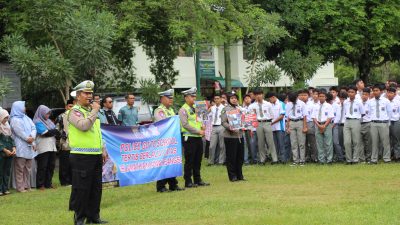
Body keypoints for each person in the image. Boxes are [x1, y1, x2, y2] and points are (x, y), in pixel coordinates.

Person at [67, 81, 107, 225]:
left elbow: (97, 133)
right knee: (82, 189)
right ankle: (79, 218)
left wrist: (102, 148)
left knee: (96, 188)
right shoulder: (74, 112)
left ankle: (93, 216)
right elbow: (83, 126)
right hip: (81, 156)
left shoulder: (91, 111)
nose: (90, 96)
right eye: (86, 93)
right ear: (78, 96)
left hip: (95, 155)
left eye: (91, 93)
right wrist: (95, 111)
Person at [153, 89, 184, 192]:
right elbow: (162, 124)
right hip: (163, 142)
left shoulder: (170, 110)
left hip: (172, 141)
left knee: (172, 162)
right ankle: (161, 185)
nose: (171, 100)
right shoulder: (159, 111)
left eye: (171, 98)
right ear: (162, 99)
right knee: (164, 163)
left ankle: (173, 184)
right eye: (168, 98)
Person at [179, 87, 210, 188]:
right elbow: (185, 124)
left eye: (194, 96)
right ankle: (188, 181)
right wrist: (198, 131)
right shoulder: (183, 109)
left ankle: (198, 179)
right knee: (190, 160)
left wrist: (203, 125)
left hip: (198, 137)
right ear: (186, 98)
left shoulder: (198, 107)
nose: (194, 98)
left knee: (198, 159)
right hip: (189, 137)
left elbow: (201, 120)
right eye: (192, 96)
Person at [10, 101, 37, 192]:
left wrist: (32, 138)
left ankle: (27, 186)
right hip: (20, 146)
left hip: (29, 146)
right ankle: (20, 188)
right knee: (20, 169)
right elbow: (19, 131)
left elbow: (33, 128)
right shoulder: (14, 119)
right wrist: (27, 138)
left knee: (27, 168)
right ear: (17, 108)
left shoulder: (26, 118)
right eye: (23, 106)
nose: (25, 108)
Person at [34, 105, 60, 190]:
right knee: (43, 166)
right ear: (41, 113)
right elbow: (44, 133)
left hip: (52, 146)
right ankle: (40, 184)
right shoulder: (37, 121)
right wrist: (54, 131)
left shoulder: (49, 121)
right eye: (46, 113)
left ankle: (48, 183)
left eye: (49, 113)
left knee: (51, 165)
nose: (48, 115)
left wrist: (54, 132)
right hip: (43, 146)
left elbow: (56, 132)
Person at [249, 89, 278, 164]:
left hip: (267, 123)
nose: (258, 96)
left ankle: (274, 159)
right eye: (257, 95)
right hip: (258, 124)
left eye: (260, 94)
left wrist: (268, 122)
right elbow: (251, 117)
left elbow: (272, 115)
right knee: (260, 142)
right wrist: (252, 128)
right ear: (254, 96)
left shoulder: (268, 104)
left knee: (270, 141)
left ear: (263, 95)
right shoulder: (252, 106)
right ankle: (262, 159)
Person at [221, 92, 245, 182]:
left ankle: (240, 175)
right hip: (230, 136)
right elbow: (223, 122)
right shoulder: (225, 109)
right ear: (228, 99)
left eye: (235, 98)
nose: (234, 100)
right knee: (231, 157)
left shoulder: (239, 108)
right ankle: (232, 176)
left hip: (240, 135)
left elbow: (244, 119)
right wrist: (231, 128)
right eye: (232, 98)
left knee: (240, 156)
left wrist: (246, 124)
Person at [367, 84, 391, 164]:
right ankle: (374, 159)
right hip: (373, 123)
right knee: (374, 142)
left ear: (380, 91)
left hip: (383, 123)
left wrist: (388, 123)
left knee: (385, 142)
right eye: (374, 91)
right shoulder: (370, 102)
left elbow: (389, 113)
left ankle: (386, 158)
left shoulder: (386, 101)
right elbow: (369, 113)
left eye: (377, 90)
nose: (375, 92)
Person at [343, 86, 364, 164]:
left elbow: (362, 113)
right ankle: (348, 159)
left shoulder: (359, 102)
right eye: (349, 92)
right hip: (347, 121)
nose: (350, 94)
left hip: (356, 121)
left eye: (352, 92)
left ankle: (355, 159)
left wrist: (357, 121)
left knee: (356, 141)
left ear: (355, 93)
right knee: (347, 142)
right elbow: (344, 112)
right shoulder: (345, 102)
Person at [312, 91, 334, 164]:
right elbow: (314, 117)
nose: (321, 98)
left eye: (323, 96)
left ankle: (329, 159)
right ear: (318, 97)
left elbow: (330, 117)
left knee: (328, 143)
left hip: (326, 125)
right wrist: (318, 125)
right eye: (320, 96)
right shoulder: (315, 106)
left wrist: (324, 126)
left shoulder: (329, 106)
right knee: (319, 143)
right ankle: (321, 160)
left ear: (326, 97)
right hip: (318, 125)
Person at [286, 92, 307, 166]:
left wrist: (304, 127)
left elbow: (305, 116)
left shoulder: (302, 104)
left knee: (301, 143)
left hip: (300, 122)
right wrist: (287, 127)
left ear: (296, 97)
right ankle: (296, 160)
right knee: (293, 143)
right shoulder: (289, 104)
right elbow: (288, 116)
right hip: (292, 122)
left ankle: (302, 160)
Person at [266, 92, 287, 164]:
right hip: (272, 127)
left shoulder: (281, 104)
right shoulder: (269, 105)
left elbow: (282, 116)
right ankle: (276, 159)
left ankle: (283, 159)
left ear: (274, 97)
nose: (269, 100)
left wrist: (272, 122)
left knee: (281, 144)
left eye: (270, 99)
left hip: (279, 127)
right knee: (274, 144)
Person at [0, 109, 16, 195]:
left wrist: (14, 148)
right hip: (2, 153)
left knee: (7, 171)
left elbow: (11, 139)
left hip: (9, 153)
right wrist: (5, 150)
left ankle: (5, 189)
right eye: (4, 118)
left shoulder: (8, 126)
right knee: (0, 171)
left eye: (7, 118)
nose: (6, 120)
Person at [58, 99, 74, 186]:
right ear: (66, 107)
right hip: (64, 143)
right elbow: (57, 130)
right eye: (70, 106)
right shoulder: (61, 116)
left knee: (72, 163)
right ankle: (64, 182)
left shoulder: (75, 116)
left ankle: (71, 180)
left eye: (73, 106)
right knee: (64, 164)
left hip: (74, 143)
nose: (71, 108)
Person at [208, 94, 226, 165]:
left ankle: (221, 161)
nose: (216, 100)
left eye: (218, 98)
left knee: (222, 145)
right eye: (215, 99)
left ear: (221, 99)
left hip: (221, 126)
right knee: (212, 146)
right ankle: (211, 161)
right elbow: (205, 115)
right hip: (214, 127)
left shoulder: (224, 108)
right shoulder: (212, 108)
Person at [242, 94, 258, 164]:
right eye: (245, 98)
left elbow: (255, 118)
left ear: (251, 99)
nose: (247, 99)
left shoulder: (254, 106)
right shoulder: (243, 108)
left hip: (252, 128)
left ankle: (254, 159)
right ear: (244, 100)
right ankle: (247, 159)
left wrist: (252, 128)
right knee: (246, 144)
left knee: (252, 144)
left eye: (248, 98)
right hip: (245, 128)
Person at [332, 91, 347, 163]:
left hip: (345, 124)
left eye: (343, 99)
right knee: (338, 142)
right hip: (339, 125)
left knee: (346, 142)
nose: (342, 101)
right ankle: (340, 156)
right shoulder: (338, 105)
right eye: (340, 99)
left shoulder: (347, 105)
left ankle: (346, 156)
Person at [305, 89, 319, 163]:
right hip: (307, 123)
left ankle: (315, 157)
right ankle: (307, 157)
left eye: (316, 94)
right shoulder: (309, 103)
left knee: (313, 141)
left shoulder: (320, 103)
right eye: (313, 94)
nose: (315, 95)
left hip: (314, 123)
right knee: (306, 141)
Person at [387, 87, 400, 161]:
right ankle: (388, 156)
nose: (389, 94)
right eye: (388, 92)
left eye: (391, 93)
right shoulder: (384, 101)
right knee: (387, 140)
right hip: (386, 122)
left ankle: (397, 156)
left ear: (395, 94)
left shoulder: (398, 102)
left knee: (396, 139)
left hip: (395, 121)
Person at [359, 88, 372, 163]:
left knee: (368, 142)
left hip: (368, 123)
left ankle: (368, 158)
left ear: (369, 95)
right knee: (360, 142)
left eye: (366, 94)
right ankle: (362, 159)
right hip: (359, 124)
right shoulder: (358, 103)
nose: (364, 96)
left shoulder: (370, 103)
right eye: (363, 94)